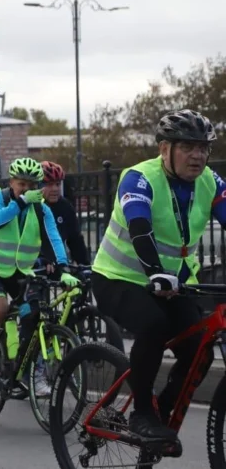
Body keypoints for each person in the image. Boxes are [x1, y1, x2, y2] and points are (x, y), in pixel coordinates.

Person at [91, 109, 226, 441]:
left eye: (203, 148)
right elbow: (139, 228)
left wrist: (165, 278)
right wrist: (155, 272)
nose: (198, 155)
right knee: (153, 325)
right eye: (187, 147)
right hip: (117, 277)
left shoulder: (210, 180)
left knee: (200, 347)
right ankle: (141, 413)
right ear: (164, 148)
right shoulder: (139, 177)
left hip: (174, 282)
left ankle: (162, 412)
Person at [0, 157, 78, 393]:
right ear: (12, 182)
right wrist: (20, 202)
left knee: (34, 316)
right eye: (22, 185)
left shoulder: (41, 208)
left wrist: (64, 269)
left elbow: (55, 238)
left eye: (32, 185)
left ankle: (31, 372)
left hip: (19, 272)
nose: (27, 190)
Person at [38, 161, 91, 266]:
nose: (55, 189)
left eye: (57, 184)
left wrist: (84, 265)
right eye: (49, 184)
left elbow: (75, 239)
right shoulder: (31, 207)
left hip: (57, 263)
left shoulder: (65, 206)